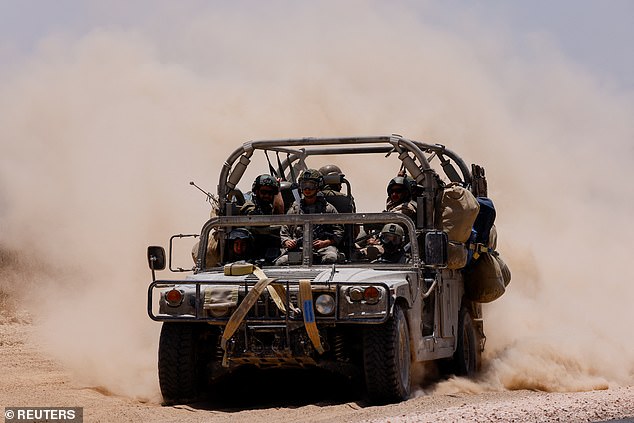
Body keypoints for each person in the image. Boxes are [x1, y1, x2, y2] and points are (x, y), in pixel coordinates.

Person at [276, 169, 343, 265]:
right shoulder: (295, 210)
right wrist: (287, 241)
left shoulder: (328, 209)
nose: (307, 189)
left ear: (318, 186)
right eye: (304, 185)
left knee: (331, 258)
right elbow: (284, 230)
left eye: (311, 185)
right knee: (281, 262)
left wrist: (326, 242)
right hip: (299, 248)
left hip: (323, 248)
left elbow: (339, 231)